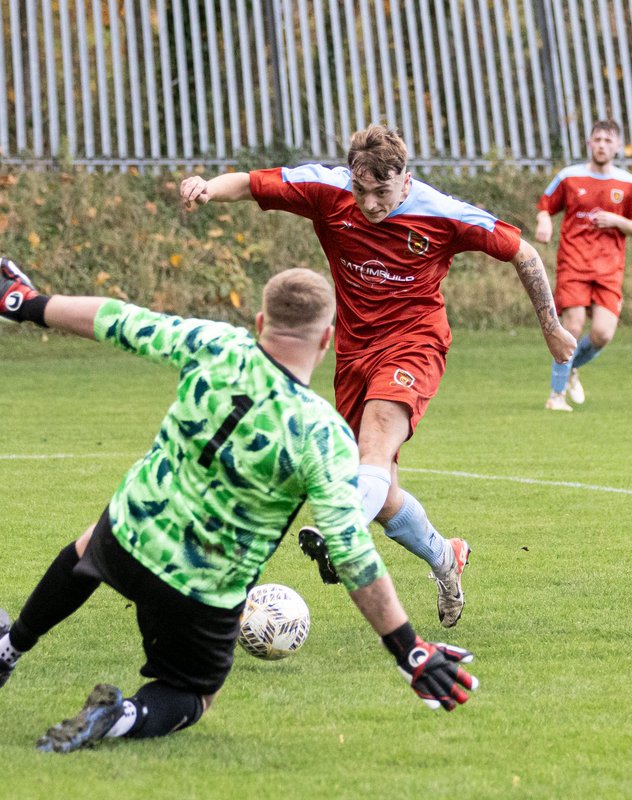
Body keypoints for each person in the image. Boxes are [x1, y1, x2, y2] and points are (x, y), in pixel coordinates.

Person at [0, 257, 478, 753]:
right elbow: (351, 553)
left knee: (89, 545)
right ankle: (118, 718)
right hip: (203, 590)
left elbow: (118, 319)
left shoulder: (216, 344)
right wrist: (409, 649)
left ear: (259, 321)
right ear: (327, 338)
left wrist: (26, 302)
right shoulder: (322, 434)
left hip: (131, 534)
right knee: (192, 694)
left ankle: (6, 650)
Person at [179, 124, 575, 628]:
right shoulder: (328, 189)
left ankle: (340, 530)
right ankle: (444, 556)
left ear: (405, 179)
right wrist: (207, 188)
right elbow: (253, 183)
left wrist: (551, 326)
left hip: (415, 343)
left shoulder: (441, 213)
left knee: (373, 453)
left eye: (381, 192)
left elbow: (523, 252)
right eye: (361, 189)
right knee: (379, 487)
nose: (368, 203)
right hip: (353, 353)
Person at [535, 120, 632, 412]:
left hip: (609, 269)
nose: (602, 145)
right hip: (574, 263)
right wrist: (544, 221)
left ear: (617, 146)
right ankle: (555, 396)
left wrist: (618, 221)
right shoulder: (569, 177)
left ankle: (571, 366)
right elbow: (546, 204)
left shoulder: (628, 184)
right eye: (597, 139)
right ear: (589, 143)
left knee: (602, 334)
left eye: (608, 140)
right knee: (571, 327)